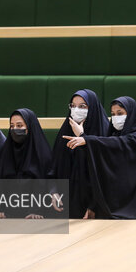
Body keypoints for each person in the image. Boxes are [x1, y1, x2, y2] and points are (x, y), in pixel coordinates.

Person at [63, 96, 136, 219]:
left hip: (135, 202)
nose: (116, 117)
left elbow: (119, 143)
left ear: (131, 114)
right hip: (113, 203)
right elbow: (102, 155)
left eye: (120, 113)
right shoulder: (113, 133)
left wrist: (85, 138)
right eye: (113, 114)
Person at [51, 89, 109, 219]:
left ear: (92, 108)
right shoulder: (65, 131)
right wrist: (53, 191)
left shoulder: (104, 134)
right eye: (73, 106)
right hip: (65, 206)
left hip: (96, 208)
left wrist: (94, 206)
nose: (76, 110)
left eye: (82, 106)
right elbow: (53, 166)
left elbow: (104, 174)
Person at [0, 108, 53, 219]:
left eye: (20, 125)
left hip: (36, 217)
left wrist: (37, 211)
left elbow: (45, 186)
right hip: (7, 217)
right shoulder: (6, 152)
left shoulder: (42, 154)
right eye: (12, 126)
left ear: (30, 127)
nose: (15, 129)